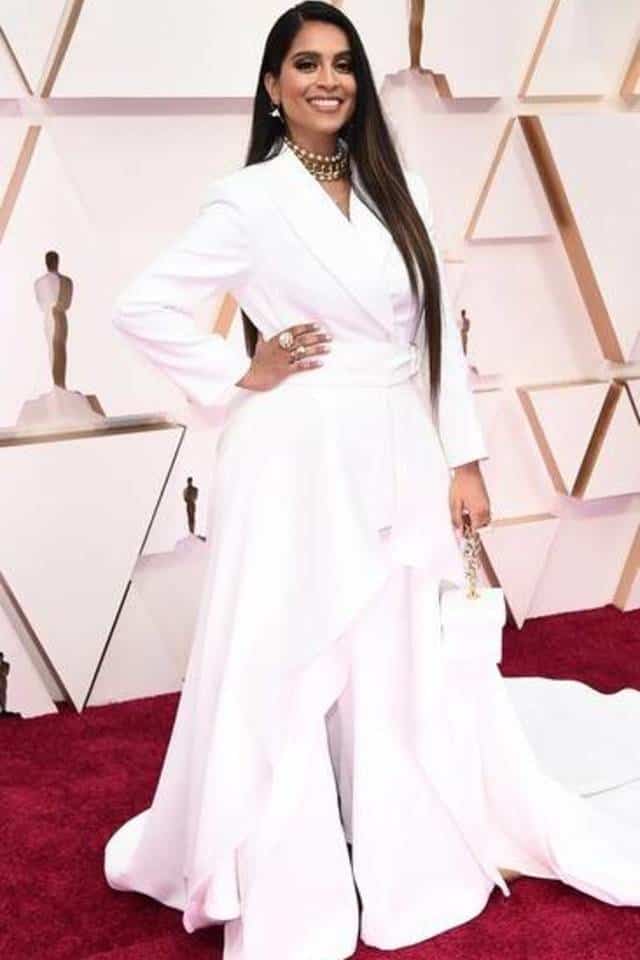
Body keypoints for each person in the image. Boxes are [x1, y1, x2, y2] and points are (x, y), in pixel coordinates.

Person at [104, 4, 640, 959]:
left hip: (397, 446)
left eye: (344, 64)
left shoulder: (403, 190)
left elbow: (437, 337)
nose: (329, 80)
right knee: (292, 646)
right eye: (306, 64)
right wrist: (241, 369)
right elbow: (141, 305)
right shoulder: (248, 200)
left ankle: (402, 841)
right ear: (272, 86)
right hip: (294, 454)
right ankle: (287, 866)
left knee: (396, 648)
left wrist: (464, 459)